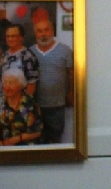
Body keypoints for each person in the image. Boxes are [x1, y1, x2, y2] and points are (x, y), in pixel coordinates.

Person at [30, 10, 74, 144]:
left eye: (46, 30)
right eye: (39, 31)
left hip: (57, 104)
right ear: (35, 33)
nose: (43, 34)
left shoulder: (65, 50)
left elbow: (72, 75)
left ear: (52, 31)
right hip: (36, 105)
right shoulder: (30, 52)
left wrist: (70, 94)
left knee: (55, 139)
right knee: (36, 139)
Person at [0, 68, 42, 146]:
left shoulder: (30, 103)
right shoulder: (0, 101)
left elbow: (37, 132)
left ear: (20, 85)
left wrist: (16, 139)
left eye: (11, 83)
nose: (7, 87)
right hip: (4, 146)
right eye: (5, 83)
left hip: (26, 147)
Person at [0, 24, 39, 104]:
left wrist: (23, 105)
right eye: (8, 36)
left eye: (13, 36)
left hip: (18, 104)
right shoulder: (5, 54)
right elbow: (0, 75)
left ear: (21, 37)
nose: (10, 39)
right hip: (3, 102)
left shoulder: (28, 56)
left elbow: (32, 83)